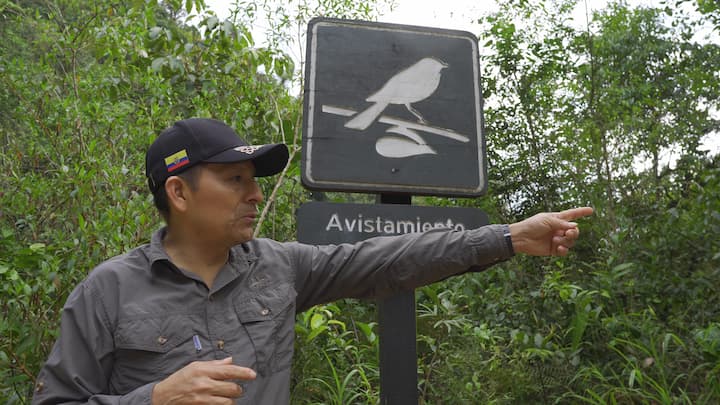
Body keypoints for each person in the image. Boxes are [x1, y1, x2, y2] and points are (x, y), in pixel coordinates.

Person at [32, 118, 593, 404]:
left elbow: (386, 258)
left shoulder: (279, 267)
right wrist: (152, 399)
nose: (254, 196)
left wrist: (508, 237)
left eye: (254, 182)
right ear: (179, 194)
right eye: (234, 181)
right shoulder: (106, 291)